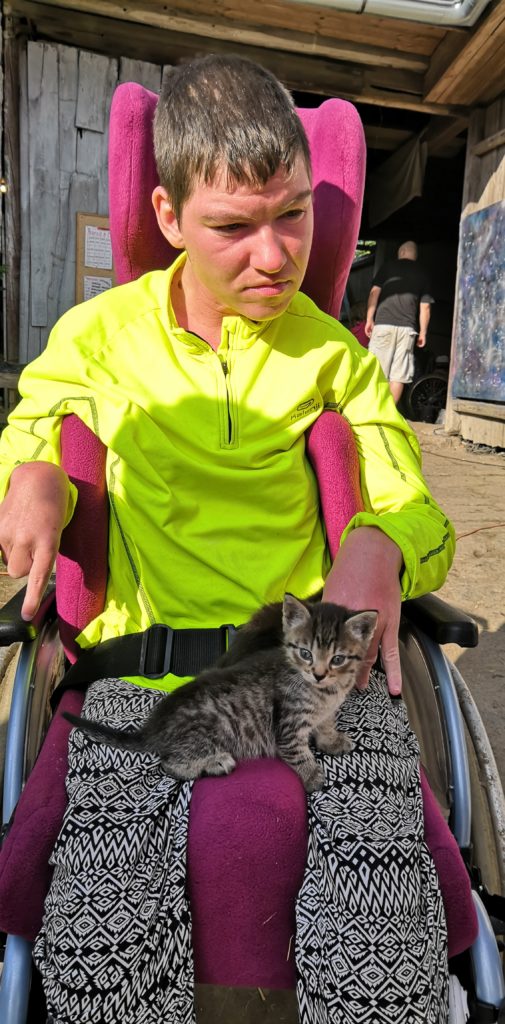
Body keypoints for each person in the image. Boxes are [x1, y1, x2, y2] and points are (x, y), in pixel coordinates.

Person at [0, 56, 453, 1023]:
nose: (275, 256)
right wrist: (31, 475)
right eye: (233, 227)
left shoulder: (334, 358)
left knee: (385, 955)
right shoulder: (96, 336)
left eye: (293, 215)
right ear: (167, 216)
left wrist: (381, 544)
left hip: (308, 679)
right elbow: (32, 424)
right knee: (97, 955)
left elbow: (415, 509)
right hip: (138, 679)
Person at [365, 240, 434, 404]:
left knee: (376, 371)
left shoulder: (387, 267)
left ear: (401, 252)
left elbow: (374, 293)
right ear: (415, 255)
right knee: (398, 376)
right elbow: (425, 307)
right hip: (407, 329)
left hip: (383, 325)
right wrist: (423, 332)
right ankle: (388, 413)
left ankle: (372, 410)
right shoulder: (423, 274)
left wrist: (369, 318)